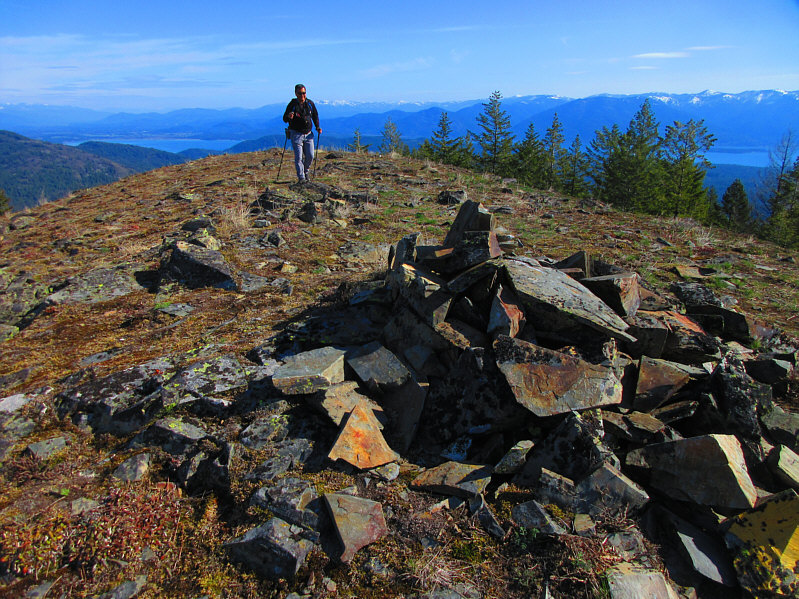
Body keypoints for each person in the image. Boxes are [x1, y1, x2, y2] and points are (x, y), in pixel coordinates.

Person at [282, 84, 322, 183]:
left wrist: (317, 127)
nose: (302, 95)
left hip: (308, 134)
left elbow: (315, 116)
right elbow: (284, 119)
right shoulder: (292, 105)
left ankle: (306, 171)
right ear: (296, 94)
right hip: (296, 134)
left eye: (304, 93)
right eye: (300, 93)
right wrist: (289, 117)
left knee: (310, 156)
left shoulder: (310, 104)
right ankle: (302, 178)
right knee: (299, 157)